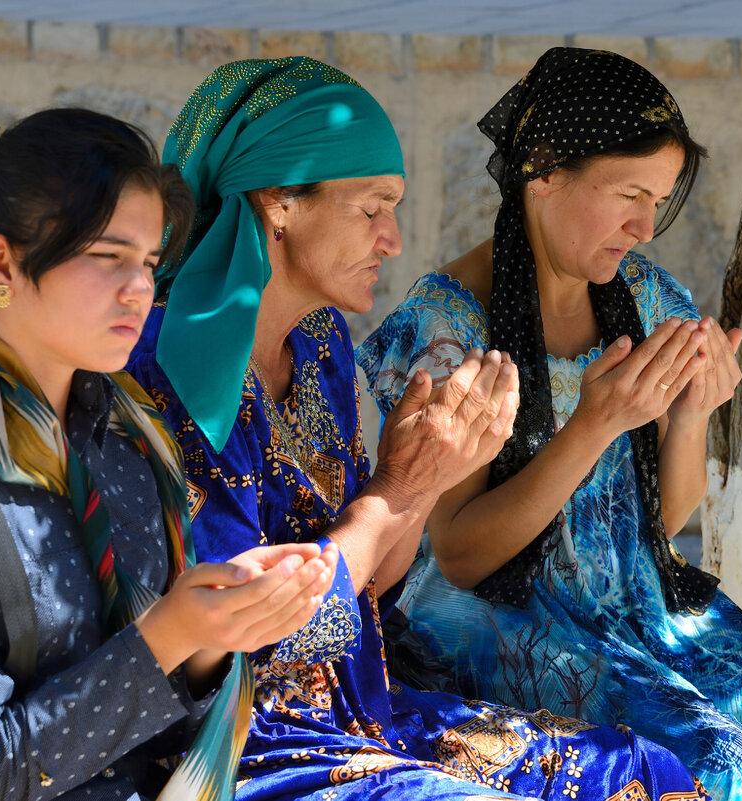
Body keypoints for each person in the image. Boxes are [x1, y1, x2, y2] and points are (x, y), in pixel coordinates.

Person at [128, 56, 711, 801]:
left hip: (356, 708)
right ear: (279, 202)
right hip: (238, 740)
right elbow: (249, 636)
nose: (393, 239)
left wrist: (425, 477)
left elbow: (378, 584)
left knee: (643, 771)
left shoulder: (320, 344)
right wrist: (400, 487)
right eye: (372, 207)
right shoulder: (171, 360)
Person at [356, 47, 742, 801]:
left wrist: (693, 411)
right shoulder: (445, 329)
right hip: (501, 625)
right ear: (543, 168)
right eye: (629, 195)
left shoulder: (640, 296)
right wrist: (593, 424)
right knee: (725, 770)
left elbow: (658, 522)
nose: (645, 225)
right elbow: (463, 555)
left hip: (641, 611)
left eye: (659, 199)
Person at [0, 107, 339, 801]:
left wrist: (213, 634)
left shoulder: (126, 439)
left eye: (150, 263)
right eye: (108, 257)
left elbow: (147, 732)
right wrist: (167, 634)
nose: (139, 289)